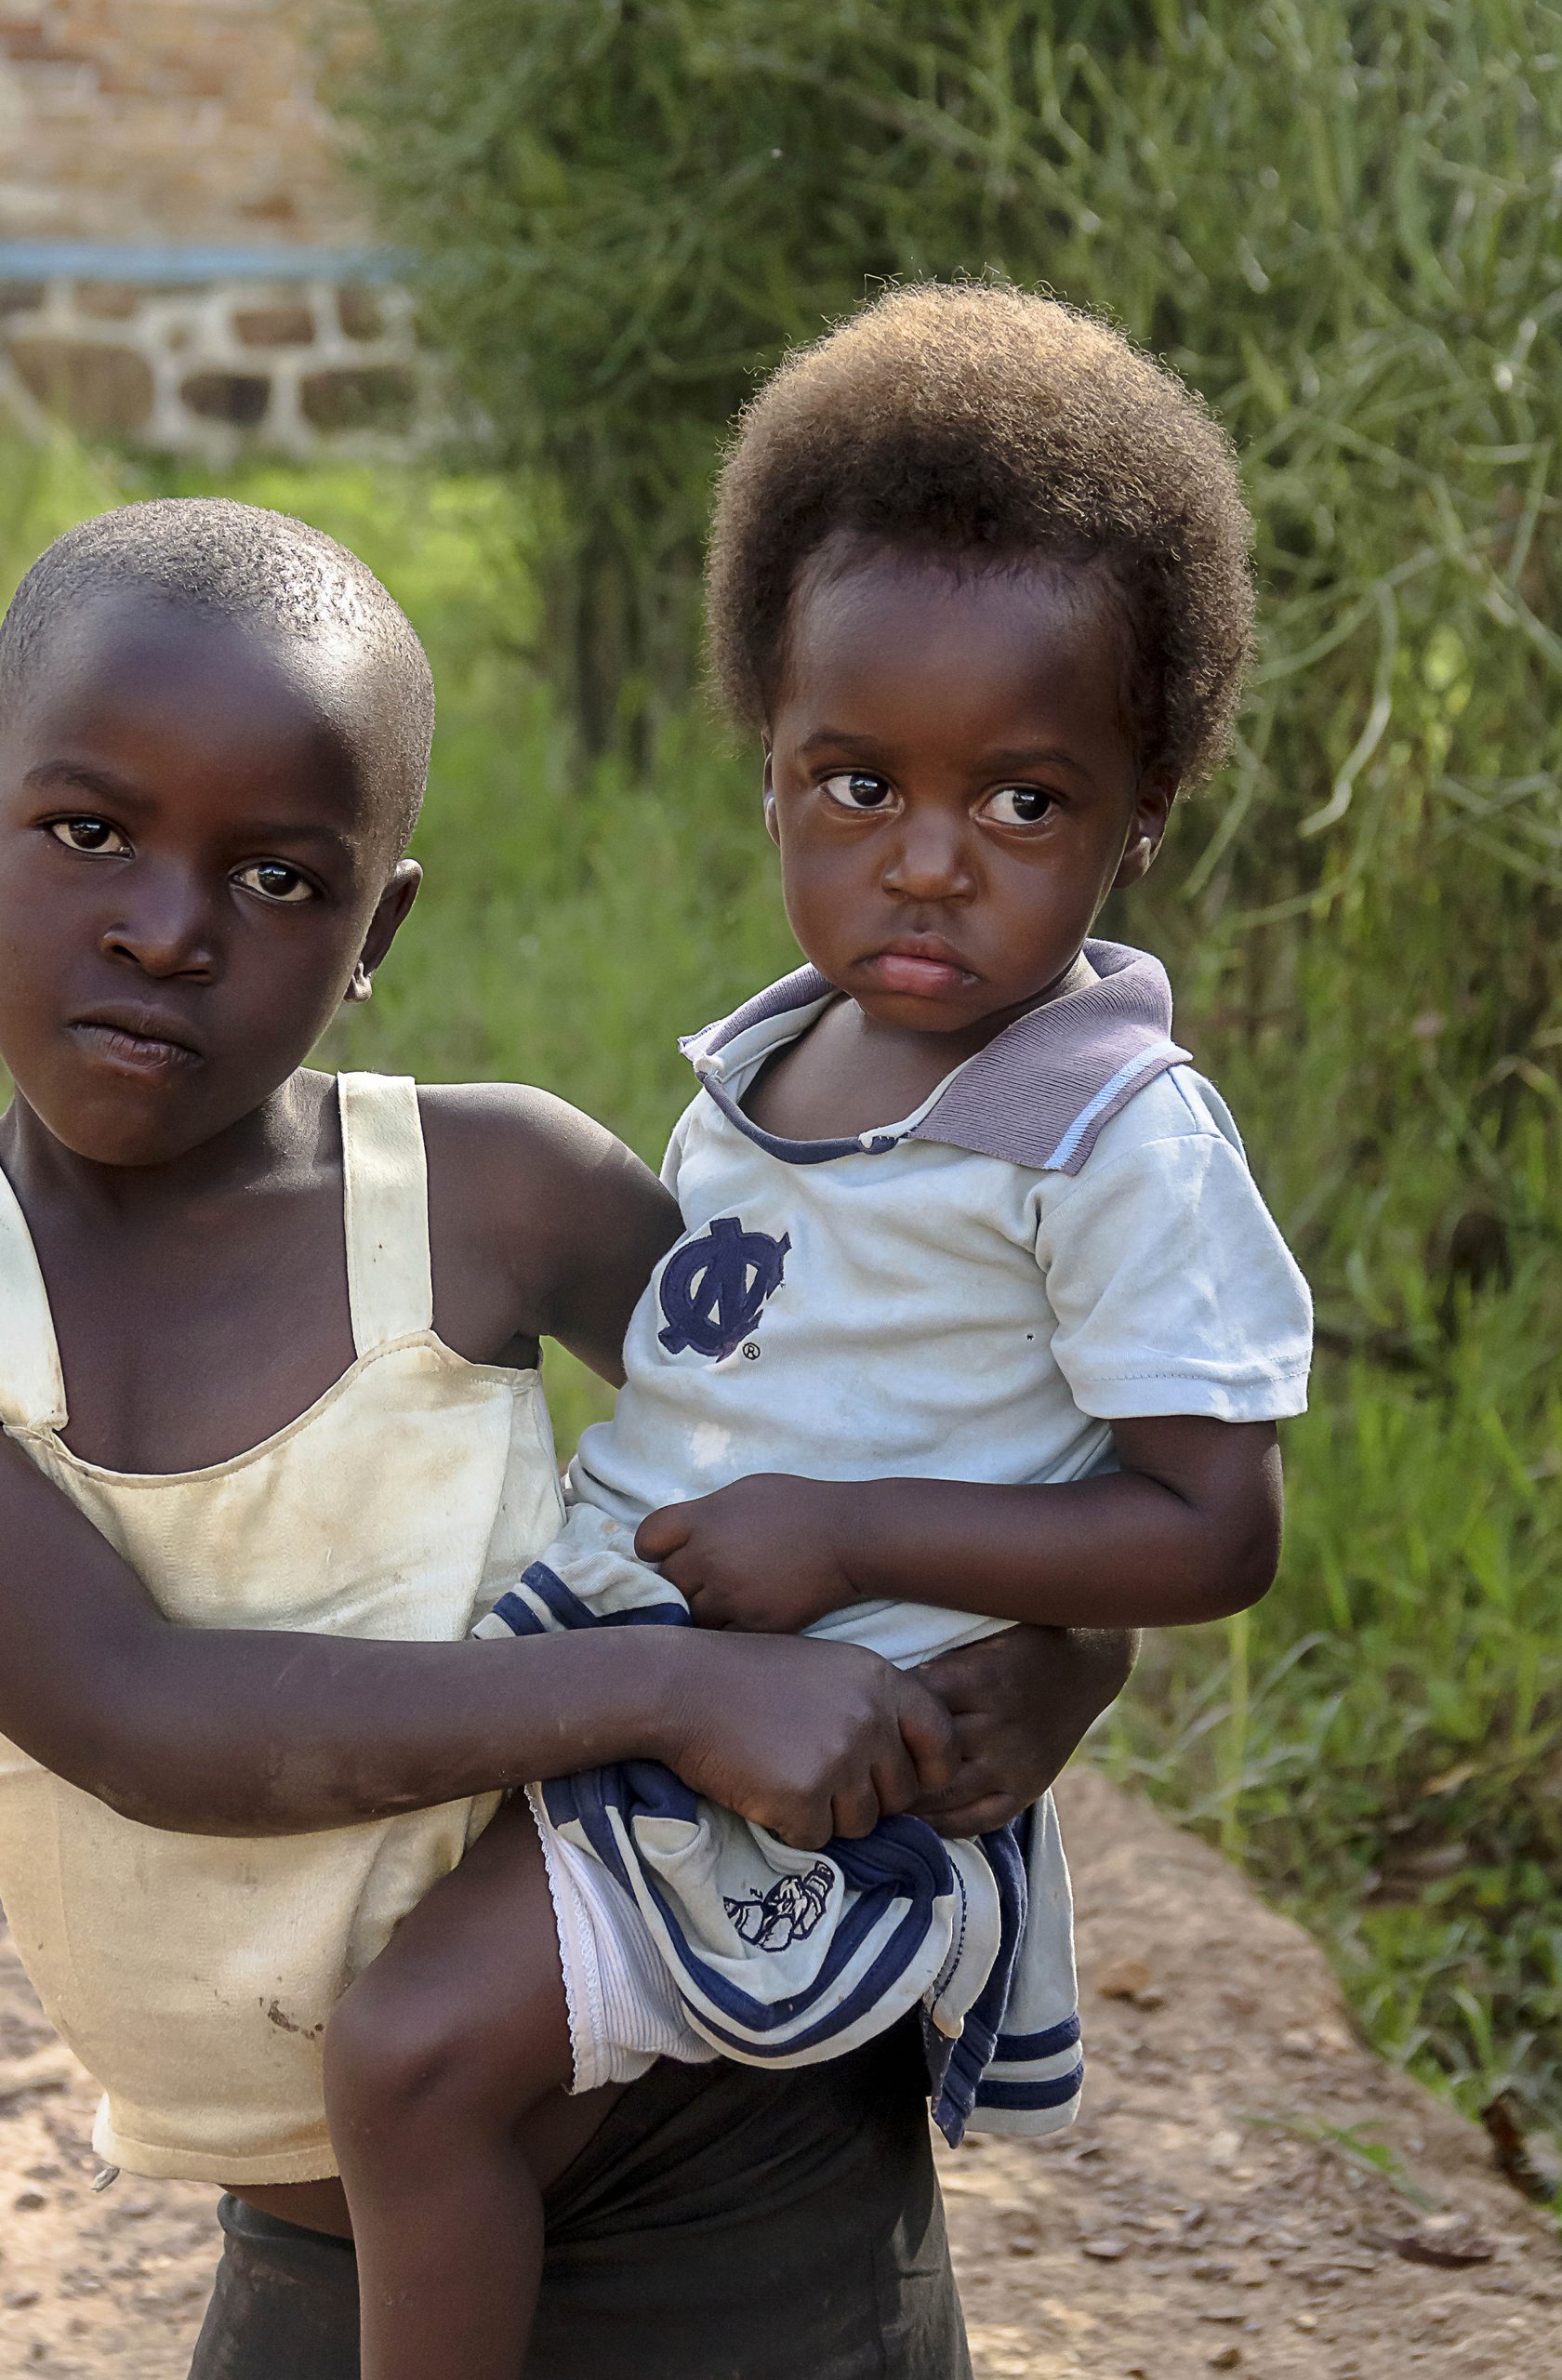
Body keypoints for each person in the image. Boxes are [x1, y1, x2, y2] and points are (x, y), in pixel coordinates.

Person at [0, 493, 1133, 2379]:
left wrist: (1069, 1654)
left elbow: (889, 1441)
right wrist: (661, 1685)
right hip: (342, 2229)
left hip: (741, 2172)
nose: (166, 930)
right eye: (89, 831)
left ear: (374, 926)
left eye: (278, 880)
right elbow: (135, 1713)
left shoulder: (495, 1192)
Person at [323, 281, 1317, 2380]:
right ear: (768, 770)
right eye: (858, 784)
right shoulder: (766, 1071)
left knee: (407, 2054)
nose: (929, 864)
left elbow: (1215, 1528)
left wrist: (851, 1532)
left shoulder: (1111, 1132)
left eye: (1026, 805)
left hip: (822, 1748)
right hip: (657, 1684)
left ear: (1145, 812)